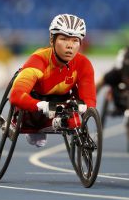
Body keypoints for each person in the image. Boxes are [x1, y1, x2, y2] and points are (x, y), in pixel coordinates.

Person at [9, 14, 96, 147]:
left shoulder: (83, 64)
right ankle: (35, 126)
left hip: (63, 103)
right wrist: (38, 105)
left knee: (75, 122)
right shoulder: (38, 60)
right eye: (64, 39)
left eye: (75, 40)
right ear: (52, 40)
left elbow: (89, 100)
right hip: (36, 104)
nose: (70, 46)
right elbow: (15, 96)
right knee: (36, 138)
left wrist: (84, 107)